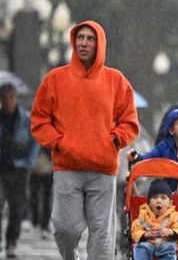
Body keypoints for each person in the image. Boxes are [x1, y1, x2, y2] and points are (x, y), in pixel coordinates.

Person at [30, 20, 140, 260]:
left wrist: (113, 141)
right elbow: (39, 120)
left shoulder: (116, 80)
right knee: (64, 229)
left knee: (102, 233)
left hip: (103, 169)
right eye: (80, 38)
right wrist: (58, 142)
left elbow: (130, 122)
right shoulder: (55, 79)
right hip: (67, 166)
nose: (84, 43)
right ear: (73, 41)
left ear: (99, 44)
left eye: (91, 38)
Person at [128, 108, 178, 260]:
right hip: (167, 192)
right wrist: (137, 158)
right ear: (171, 129)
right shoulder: (165, 146)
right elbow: (150, 157)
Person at [0, 83, 39, 258]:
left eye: (11, 97)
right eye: (4, 97)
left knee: (17, 208)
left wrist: (29, 163)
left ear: (15, 98)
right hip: (2, 168)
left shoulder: (25, 119)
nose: (8, 101)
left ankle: (11, 242)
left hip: (19, 168)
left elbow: (35, 141)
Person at [131, 178, 178, 260]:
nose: (159, 201)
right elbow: (135, 230)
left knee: (170, 247)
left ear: (170, 203)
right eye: (155, 197)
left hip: (165, 243)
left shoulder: (174, 215)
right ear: (149, 202)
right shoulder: (143, 214)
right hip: (148, 242)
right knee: (140, 248)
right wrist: (145, 234)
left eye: (163, 198)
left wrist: (170, 232)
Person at [29, 146, 53, 240]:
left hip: (46, 167)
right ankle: (39, 223)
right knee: (37, 196)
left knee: (42, 197)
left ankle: (42, 224)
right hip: (38, 167)